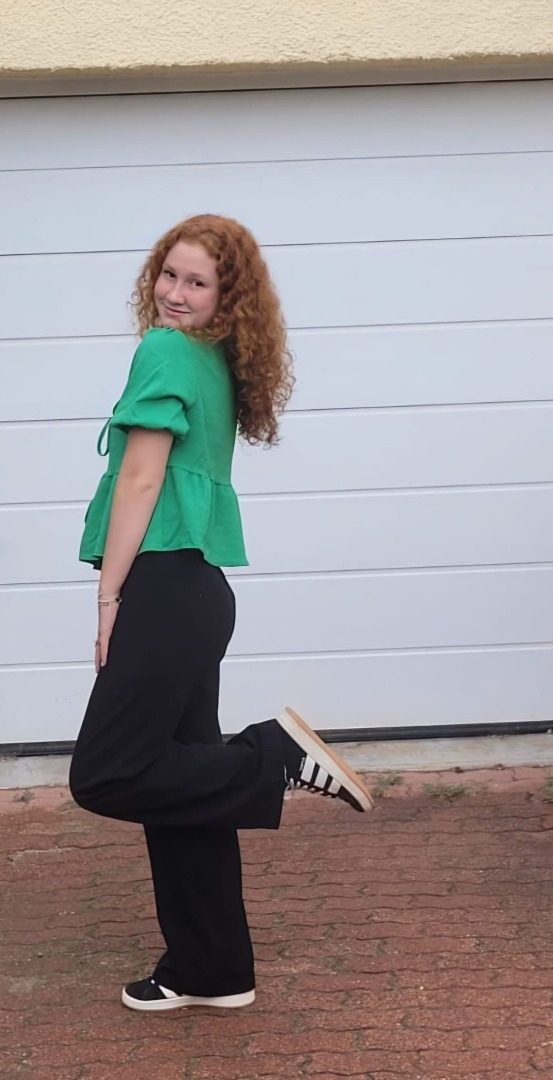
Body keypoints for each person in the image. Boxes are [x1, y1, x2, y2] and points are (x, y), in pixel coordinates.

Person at [69, 214, 373, 1014]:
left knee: (105, 773)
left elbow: (141, 479)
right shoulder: (212, 360)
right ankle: (213, 969)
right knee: (181, 792)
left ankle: (270, 753)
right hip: (196, 593)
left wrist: (109, 599)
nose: (174, 293)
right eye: (168, 274)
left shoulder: (165, 352)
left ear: (225, 296)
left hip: (165, 588)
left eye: (196, 282)